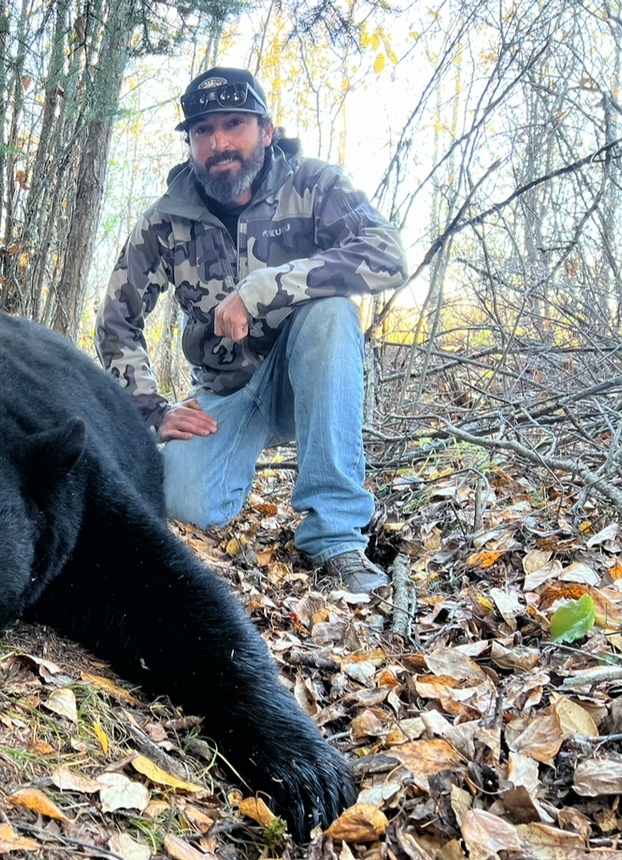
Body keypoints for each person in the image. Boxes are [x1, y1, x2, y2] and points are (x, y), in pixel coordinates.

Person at [95, 67, 407, 593]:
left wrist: (266, 287)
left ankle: (335, 538)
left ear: (265, 129)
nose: (218, 142)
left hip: (304, 379)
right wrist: (151, 410)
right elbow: (116, 320)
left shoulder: (314, 185)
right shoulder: (165, 222)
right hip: (224, 393)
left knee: (332, 314)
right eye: (202, 130)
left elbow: (388, 256)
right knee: (184, 507)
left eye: (233, 124)